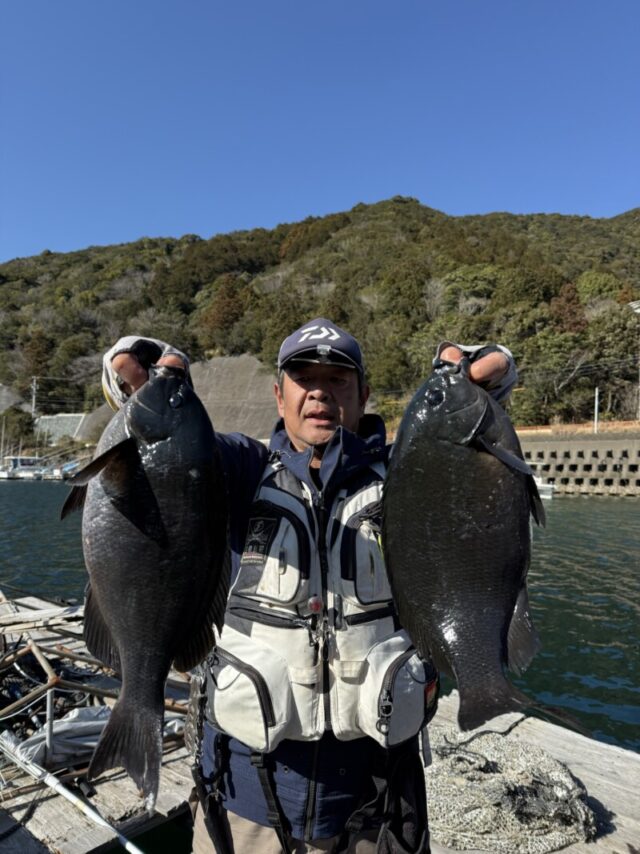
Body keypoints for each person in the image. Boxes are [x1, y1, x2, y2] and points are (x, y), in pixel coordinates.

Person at [101, 320, 516, 854]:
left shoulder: (410, 472)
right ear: (279, 395)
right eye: (304, 379)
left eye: (338, 380)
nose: (320, 392)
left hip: (379, 803)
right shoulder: (238, 468)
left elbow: (467, 449)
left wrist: (483, 380)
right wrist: (143, 370)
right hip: (244, 801)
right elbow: (163, 449)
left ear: (364, 395)